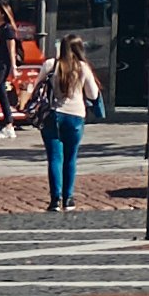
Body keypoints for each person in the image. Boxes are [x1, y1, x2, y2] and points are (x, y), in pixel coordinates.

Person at [28, 41, 102, 212]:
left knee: (54, 158)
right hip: (75, 116)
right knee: (70, 158)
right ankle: (68, 199)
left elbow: (37, 87)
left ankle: (55, 199)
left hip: (52, 115)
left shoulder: (50, 64)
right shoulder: (82, 67)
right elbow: (93, 94)